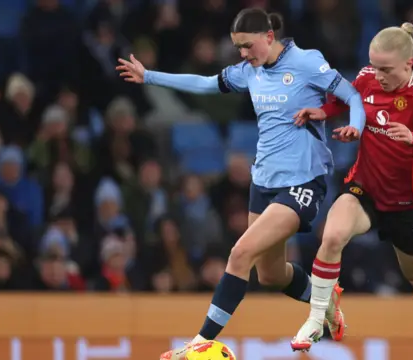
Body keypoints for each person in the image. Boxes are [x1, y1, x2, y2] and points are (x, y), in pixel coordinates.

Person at [116, 8, 366, 360]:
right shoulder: (249, 72)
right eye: (238, 48)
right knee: (270, 275)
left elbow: (353, 95)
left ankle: (198, 344)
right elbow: (204, 84)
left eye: (248, 46)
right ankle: (324, 300)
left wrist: (355, 125)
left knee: (239, 254)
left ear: (268, 36)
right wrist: (149, 77)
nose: (243, 54)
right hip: (263, 180)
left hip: (303, 180)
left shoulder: (307, 63)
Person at [289, 23, 413, 359]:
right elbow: (348, 97)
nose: (377, 75)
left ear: (408, 65)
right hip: (364, 188)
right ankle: (316, 319)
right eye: (374, 66)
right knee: (332, 236)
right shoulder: (368, 75)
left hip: (405, 202)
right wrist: (325, 111)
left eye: (386, 70)